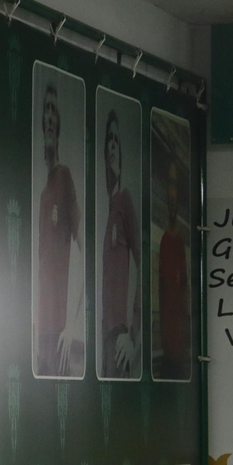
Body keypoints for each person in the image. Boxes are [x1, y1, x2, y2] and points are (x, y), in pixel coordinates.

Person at [35, 82, 83, 378]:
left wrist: (74, 323)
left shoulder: (64, 177)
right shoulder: (42, 194)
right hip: (42, 333)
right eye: (46, 110)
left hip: (59, 334)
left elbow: (83, 249)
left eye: (54, 110)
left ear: (59, 125)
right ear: (42, 123)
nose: (50, 117)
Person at [99, 108, 140, 379]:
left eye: (117, 140)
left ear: (121, 155)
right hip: (106, 338)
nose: (113, 144)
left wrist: (133, 334)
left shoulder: (124, 199)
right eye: (109, 141)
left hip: (119, 336)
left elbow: (143, 264)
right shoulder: (110, 208)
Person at [153, 163, 191, 380]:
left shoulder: (178, 240)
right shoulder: (166, 240)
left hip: (177, 326)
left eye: (175, 185)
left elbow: (183, 284)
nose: (172, 194)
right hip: (169, 330)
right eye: (169, 185)